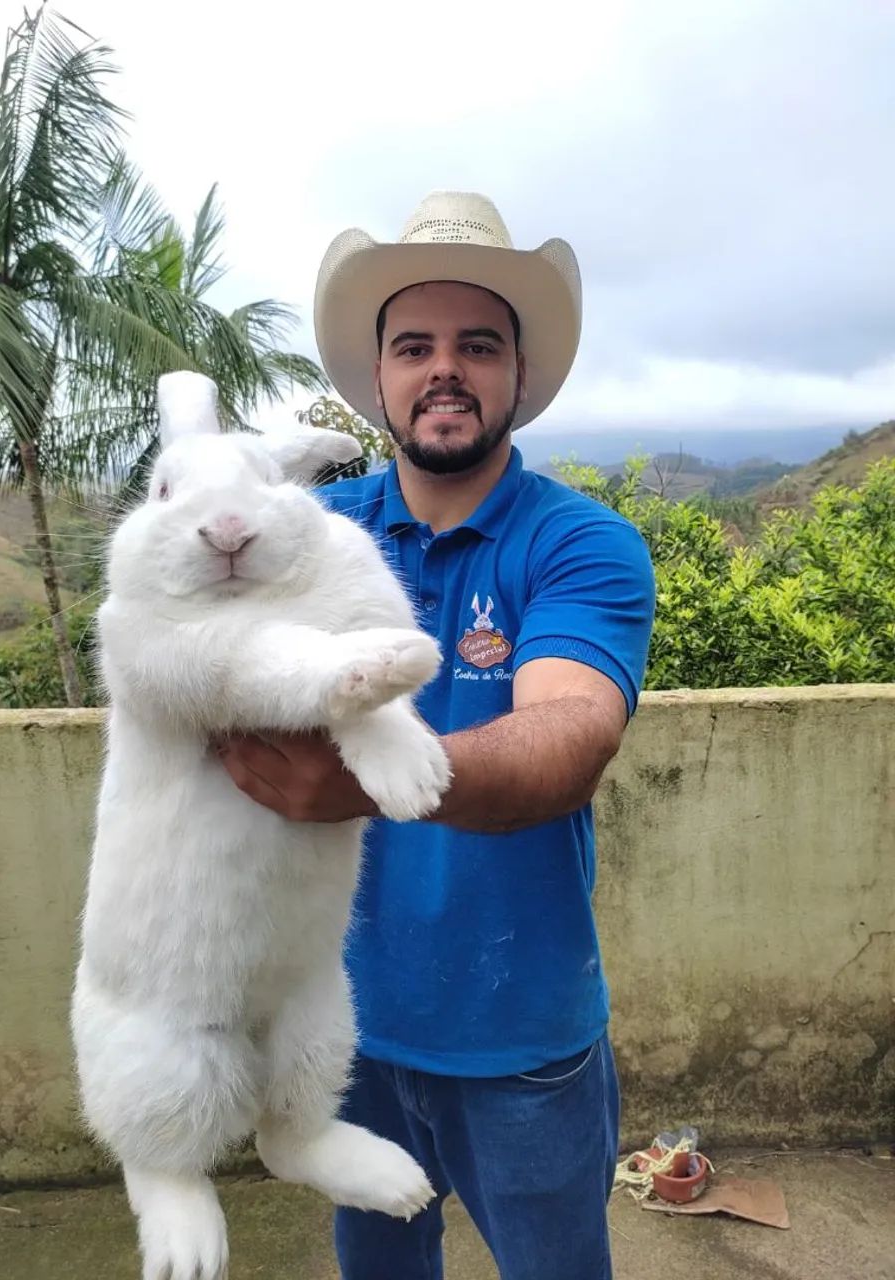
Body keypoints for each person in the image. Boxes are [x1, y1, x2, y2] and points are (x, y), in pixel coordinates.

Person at [218, 192, 656, 1280]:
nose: (443, 369)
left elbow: (566, 734)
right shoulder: (315, 535)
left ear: (518, 376)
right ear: (379, 379)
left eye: (478, 345)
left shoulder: (581, 544)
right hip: (346, 1030)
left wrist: (368, 777)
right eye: (414, 345)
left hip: (523, 1037)